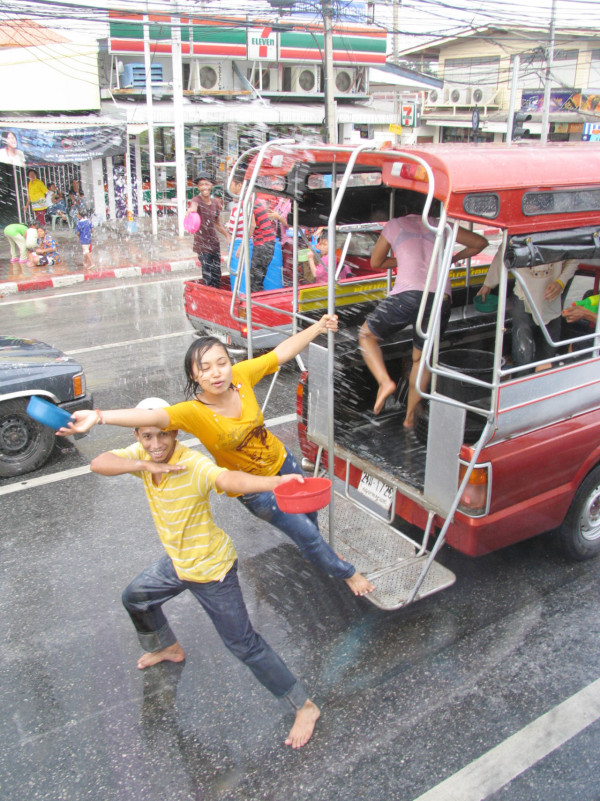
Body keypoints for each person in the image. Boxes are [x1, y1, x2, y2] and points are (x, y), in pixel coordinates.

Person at [59, 315, 375, 598]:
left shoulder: (241, 377)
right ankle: (345, 572)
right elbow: (152, 416)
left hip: (284, 462)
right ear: (194, 376)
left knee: (309, 520)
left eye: (220, 363)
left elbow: (281, 352)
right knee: (304, 533)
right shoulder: (192, 413)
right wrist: (99, 416)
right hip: (255, 489)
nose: (216, 373)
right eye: (205, 369)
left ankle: (319, 551)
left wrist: (318, 327)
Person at [89, 397, 320, 749]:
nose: (155, 445)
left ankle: (303, 706)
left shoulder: (191, 464)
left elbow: (228, 479)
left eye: (163, 436)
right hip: (179, 563)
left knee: (244, 645)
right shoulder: (143, 456)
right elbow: (98, 462)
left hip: (213, 570)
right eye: (147, 437)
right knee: (135, 598)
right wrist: (141, 464)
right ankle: (167, 647)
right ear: (137, 434)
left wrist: (276, 483)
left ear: (176, 432)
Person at [359, 213, 488, 425]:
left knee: (367, 336)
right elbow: (480, 243)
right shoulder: (442, 224)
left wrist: (402, 257)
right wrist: (451, 258)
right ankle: (409, 418)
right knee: (421, 360)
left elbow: (376, 261)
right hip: (440, 299)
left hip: (407, 296)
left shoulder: (395, 224)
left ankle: (385, 382)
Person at [478, 248, 577, 370]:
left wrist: (561, 282)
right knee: (522, 356)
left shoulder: (559, 234)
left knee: (547, 359)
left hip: (552, 304)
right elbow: (502, 254)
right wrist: (488, 285)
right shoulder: (518, 235)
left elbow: (573, 258)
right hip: (523, 299)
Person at [229, 172, 277, 293]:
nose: (229, 187)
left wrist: (242, 246)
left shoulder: (247, 200)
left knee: (254, 282)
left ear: (239, 185)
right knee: (256, 279)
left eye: (231, 184)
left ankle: (256, 308)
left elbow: (252, 224)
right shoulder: (249, 197)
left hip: (263, 244)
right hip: (266, 243)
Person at [188, 172, 229, 288]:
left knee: (217, 274)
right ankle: (209, 299)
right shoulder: (196, 200)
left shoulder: (216, 202)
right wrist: (191, 211)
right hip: (202, 245)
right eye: (201, 185)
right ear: (198, 187)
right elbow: (193, 207)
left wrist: (227, 235)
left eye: (207, 184)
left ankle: (216, 296)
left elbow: (217, 223)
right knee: (207, 275)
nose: (205, 187)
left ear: (212, 185)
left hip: (214, 244)